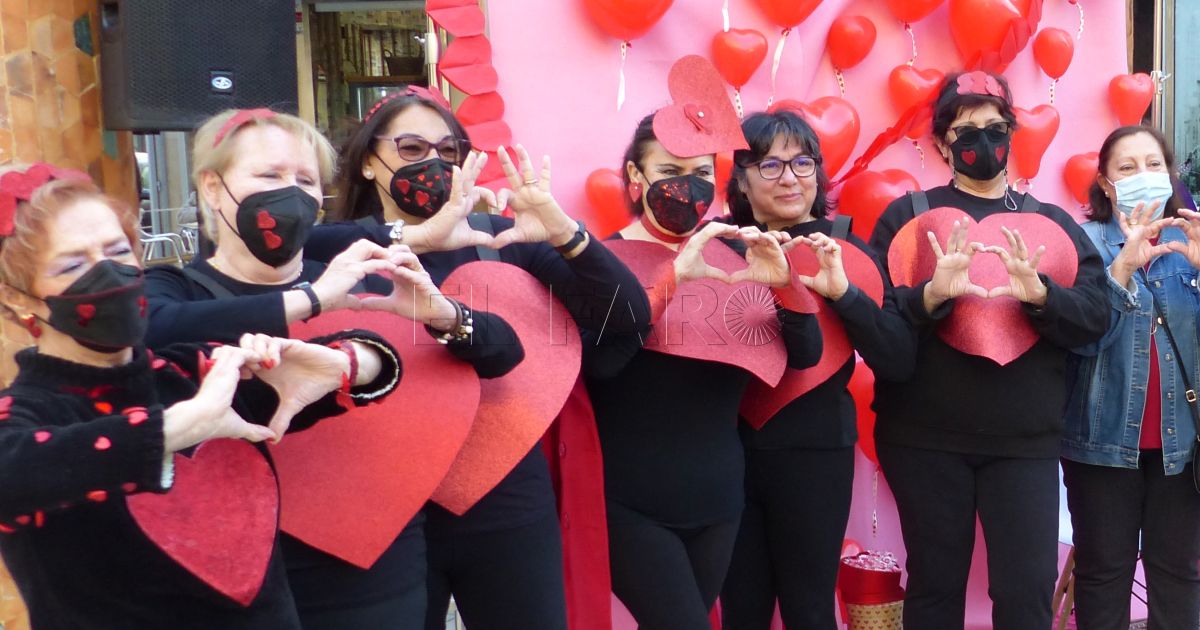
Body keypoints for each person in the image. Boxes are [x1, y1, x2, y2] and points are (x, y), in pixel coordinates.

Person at [143, 108, 523, 629]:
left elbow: (503, 353)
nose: (290, 192)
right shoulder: (173, 290)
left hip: (376, 561)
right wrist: (309, 301)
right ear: (213, 187)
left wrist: (442, 315)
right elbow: (153, 330)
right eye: (269, 176)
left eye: (304, 180)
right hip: (236, 567)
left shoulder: (355, 279)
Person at [0, 165, 401, 629]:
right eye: (72, 265)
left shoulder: (192, 370)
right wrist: (178, 428)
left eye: (117, 251)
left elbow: (377, 366)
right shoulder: (27, 413)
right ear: (19, 299)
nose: (108, 274)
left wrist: (351, 362)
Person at [328, 88, 650, 630]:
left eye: (448, 152)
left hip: (505, 499)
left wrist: (564, 232)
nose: (432, 164)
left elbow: (627, 314)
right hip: (386, 502)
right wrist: (403, 238)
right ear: (367, 161)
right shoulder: (339, 255)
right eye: (411, 148)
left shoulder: (497, 240)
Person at [867, 70, 1108, 629]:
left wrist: (1041, 296)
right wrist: (930, 296)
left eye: (994, 128)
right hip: (922, 439)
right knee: (933, 588)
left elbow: (1095, 317)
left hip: (1025, 443)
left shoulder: (1050, 225)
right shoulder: (908, 217)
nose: (983, 141)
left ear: (1012, 132)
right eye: (964, 130)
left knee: (1025, 595)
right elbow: (876, 326)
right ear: (942, 142)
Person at [585, 101, 822, 629]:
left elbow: (803, 356)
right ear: (634, 176)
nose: (685, 188)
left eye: (698, 174)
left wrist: (783, 281)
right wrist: (673, 280)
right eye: (669, 172)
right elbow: (599, 365)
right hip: (629, 502)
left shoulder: (736, 254)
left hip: (720, 499)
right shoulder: (600, 263)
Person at [718, 110, 914, 629]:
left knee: (809, 608)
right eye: (770, 165)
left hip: (815, 455)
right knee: (741, 609)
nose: (789, 178)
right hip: (726, 452)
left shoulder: (843, 247)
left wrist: (842, 292)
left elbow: (897, 357)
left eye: (802, 163)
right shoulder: (717, 248)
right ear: (741, 177)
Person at [1062, 125, 1200, 629]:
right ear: (1104, 182)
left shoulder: (1190, 238)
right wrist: (1121, 270)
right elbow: (1081, 340)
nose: (1143, 176)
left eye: (1154, 164)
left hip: (1184, 450)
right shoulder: (1083, 243)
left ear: (1170, 174)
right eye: (1127, 167)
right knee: (1102, 573)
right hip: (1099, 445)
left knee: (1179, 574)